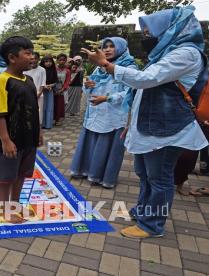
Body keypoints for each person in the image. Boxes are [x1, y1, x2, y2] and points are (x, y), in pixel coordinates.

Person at [82, 5, 209, 238]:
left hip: (166, 129)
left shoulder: (186, 53)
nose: (146, 37)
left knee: (159, 177)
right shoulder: (166, 53)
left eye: (151, 32)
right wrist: (131, 125)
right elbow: (142, 93)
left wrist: (106, 65)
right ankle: (143, 211)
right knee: (144, 172)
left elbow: (145, 80)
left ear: (171, 28)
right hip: (150, 126)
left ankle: (152, 225)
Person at [71, 37, 137, 189]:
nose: (107, 49)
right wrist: (88, 86)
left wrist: (107, 98)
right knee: (91, 142)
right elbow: (88, 88)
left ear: (121, 48)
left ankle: (103, 176)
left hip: (113, 115)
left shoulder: (129, 68)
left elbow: (129, 93)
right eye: (105, 46)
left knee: (107, 145)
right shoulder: (98, 68)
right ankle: (85, 170)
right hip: (95, 111)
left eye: (111, 46)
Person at [0, 36, 42, 223]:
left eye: (32, 53)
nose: (32, 57)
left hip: (29, 139)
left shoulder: (28, 80)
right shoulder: (2, 80)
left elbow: (34, 108)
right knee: (6, 177)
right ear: (12, 58)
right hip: (10, 140)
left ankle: (16, 205)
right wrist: (5, 140)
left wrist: (39, 132)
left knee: (21, 174)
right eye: (27, 53)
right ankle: (5, 209)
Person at [24, 52, 46, 124]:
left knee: (39, 113)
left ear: (38, 59)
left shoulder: (42, 70)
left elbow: (43, 83)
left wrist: (39, 94)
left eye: (35, 58)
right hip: (27, 94)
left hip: (39, 95)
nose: (33, 60)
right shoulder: (25, 69)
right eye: (31, 59)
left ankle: (38, 128)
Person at [39, 55, 58, 129]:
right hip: (41, 91)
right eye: (46, 61)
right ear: (43, 62)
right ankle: (41, 123)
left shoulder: (53, 70)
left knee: (49, 107)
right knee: (41, 107)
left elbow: (55, 81)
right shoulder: (40, 70)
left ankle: (48, 124)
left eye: (50, 61)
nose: (48, 63)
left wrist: (50, 85)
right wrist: (44, 86)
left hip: (50, 91)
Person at [54, 54, 71, 125]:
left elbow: (67, 81)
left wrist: (62, 89)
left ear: (66, 61)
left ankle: (58, 120)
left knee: (60, 105)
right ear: (57, 60)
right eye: (60, 60)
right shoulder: (54, 69)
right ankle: (51, 119)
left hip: (62, 90)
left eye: (63, 60)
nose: (62, 61)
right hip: (53, 89)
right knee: (53, 104)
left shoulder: (67, 71)